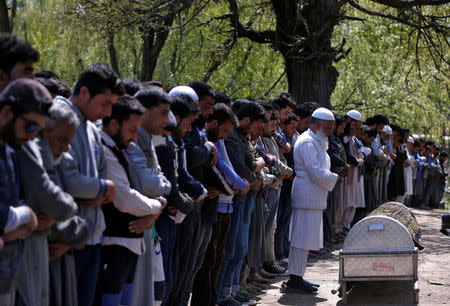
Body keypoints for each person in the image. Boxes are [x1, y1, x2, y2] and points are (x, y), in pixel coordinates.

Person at [57, 63, 123, 306]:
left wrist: (100, 189)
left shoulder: (90, 128)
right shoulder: (60, 118)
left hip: (93, 237)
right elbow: (69, 180)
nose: (107, 113)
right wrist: (103, 189)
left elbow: (105, 179)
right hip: (66, 240)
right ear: (84, 93)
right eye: (104, 104)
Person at [96, 94, 165, 306]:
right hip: (113, 243)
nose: (135, 137)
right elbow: (125, 198)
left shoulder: (122, 149)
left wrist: (154, 210)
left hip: (128, 243)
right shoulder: (105, 149)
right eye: (132, 129)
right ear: (114, 123)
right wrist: (158, 206)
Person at [0, 79, 50, 304]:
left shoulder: (10, 151)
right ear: (7, 113)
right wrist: (26, 216)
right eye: (30, 127)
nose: (32, 137)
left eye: (38, 131)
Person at [281, 107, 340, 293]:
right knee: (300, 240)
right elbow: (314, 172)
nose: (331, 131)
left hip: (312, 197)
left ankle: (298, 276)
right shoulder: (307, 142)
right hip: (306, 196)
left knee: (304, 240)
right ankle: (294, 279)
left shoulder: (316, 141)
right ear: (317, 126)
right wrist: (334, 178)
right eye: (328, 127)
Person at [191, 103, 243, 306]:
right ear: (213, 122)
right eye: (224, 130)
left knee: (215, 259)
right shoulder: (206, 142)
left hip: (218, 206)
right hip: (206, 208)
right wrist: (234, 187)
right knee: (203, 262)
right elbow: (219, 172)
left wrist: (232, 187)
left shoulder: (215, 141)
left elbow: (226, 170)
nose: (224, 135)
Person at [41, 99, 90, 306]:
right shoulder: (36, 167)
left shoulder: (57, 161)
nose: (66, 148)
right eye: (61, 140)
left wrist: (75, 232)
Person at [128, 86, 172, 306]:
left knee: (155, 291)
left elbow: (162, 182)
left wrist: (160, 196)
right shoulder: (133, 140)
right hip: (132, 228)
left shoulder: (148, 140)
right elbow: (149, 183)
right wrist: (161, 198)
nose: (167, 119)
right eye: (163, 112)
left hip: (149, 223)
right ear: (145, 112)